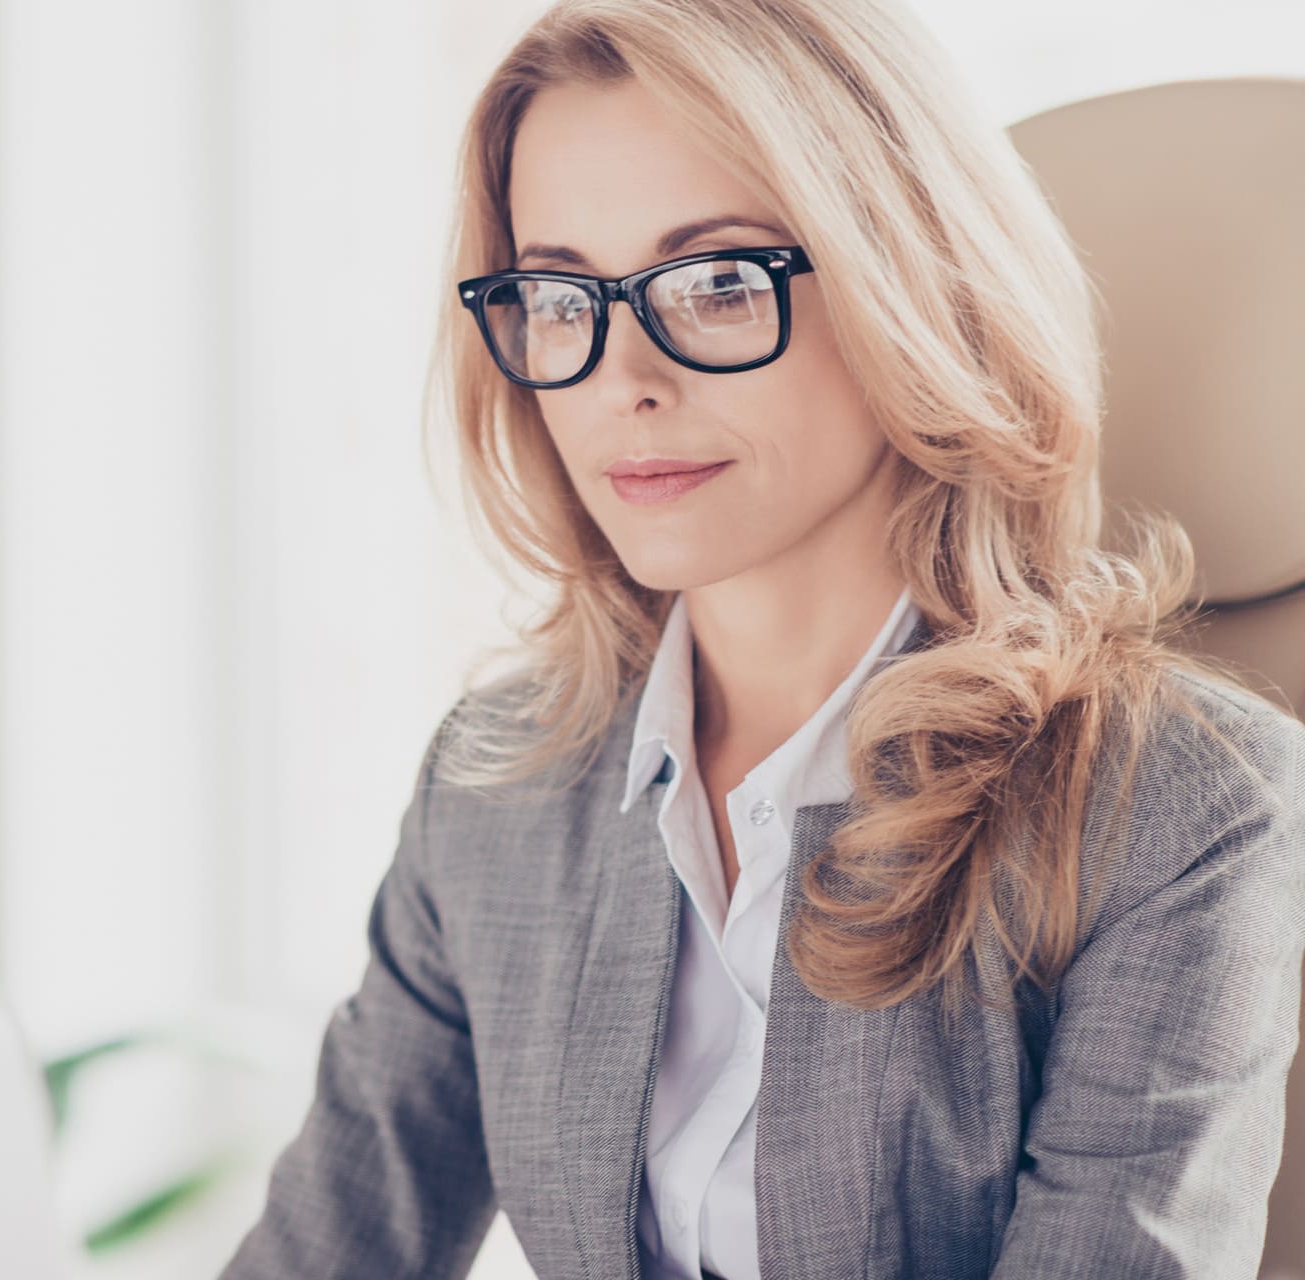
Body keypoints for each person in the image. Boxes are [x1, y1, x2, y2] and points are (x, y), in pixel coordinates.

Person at [218, 1, 1305, 1276]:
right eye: (562, 297)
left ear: (910, 287)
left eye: (719, 281)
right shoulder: (498, 785)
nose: (623, 377)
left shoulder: (1178, 804)